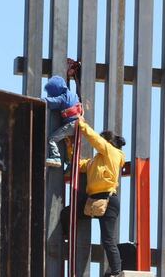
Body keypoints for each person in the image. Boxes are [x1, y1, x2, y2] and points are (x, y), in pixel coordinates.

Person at [61, 116, 126, 277]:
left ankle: (116, 272)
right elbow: (78, 164)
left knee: (107, 239)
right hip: (94, 200)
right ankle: (64, 240)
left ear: (107, 142)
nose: (98, 146)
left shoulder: (113, 153)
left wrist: (81, 125)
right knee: (67, 213)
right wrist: (70, 147)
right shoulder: (95, 161)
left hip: (108, 200)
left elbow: (96, 140)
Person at [43, 75, 82, 168]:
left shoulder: (62, 98)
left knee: (52, 139)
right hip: (78, 124)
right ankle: (69, 162)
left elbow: (51, 101)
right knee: (68, 143)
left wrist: (40, 100)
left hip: (71, 124)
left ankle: (56, 157)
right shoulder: (72, 95)